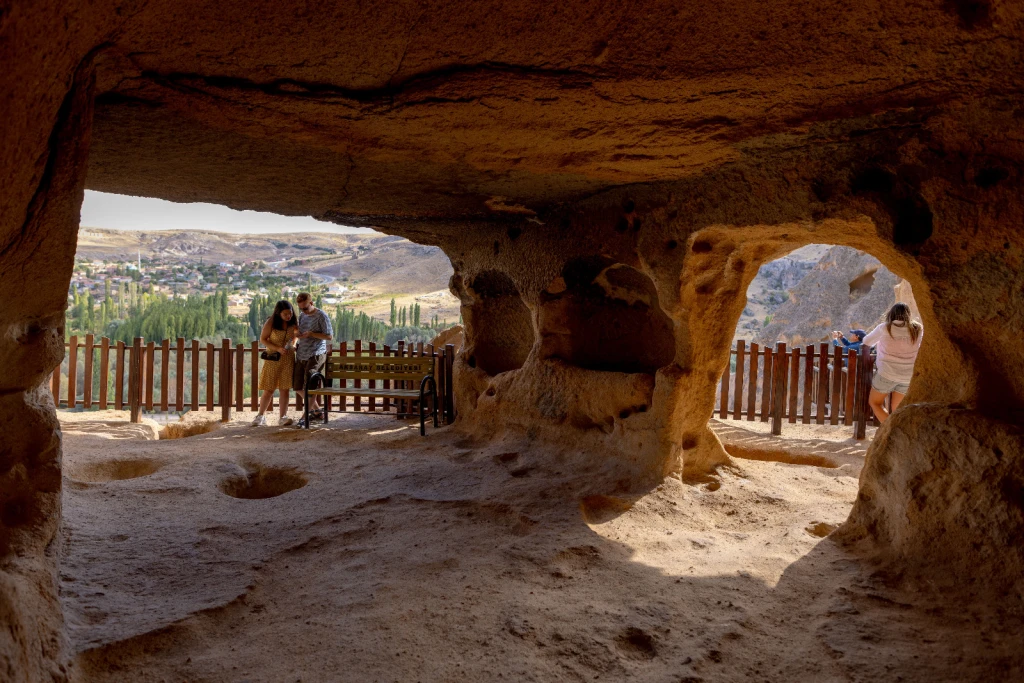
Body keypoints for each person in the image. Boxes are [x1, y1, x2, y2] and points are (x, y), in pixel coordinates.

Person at [863, 302, 923, 424]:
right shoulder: (917, 328)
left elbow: (867, 341)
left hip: (887, 373)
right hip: (908, 375)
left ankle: (889, 428)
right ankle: (896, 430)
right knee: (898, 410)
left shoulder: (885, 328)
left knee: (875, 403)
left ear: (891, 314)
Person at [252, 300, 298, 426]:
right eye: (285, 314)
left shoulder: (293, 322)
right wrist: (277, 348)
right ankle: (260, 416)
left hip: (288, 359)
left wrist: (292, 344)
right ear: (278, 313)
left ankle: (283, 417)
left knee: (285, 389)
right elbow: (263, 339)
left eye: (290, 313)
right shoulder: (271, 322)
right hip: (273, 358)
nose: (288, 316)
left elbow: (295, 335)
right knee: (269, 389)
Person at [292, 292, 333, 427]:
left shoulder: (321, 316)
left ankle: (304, 418)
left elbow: (329, 336)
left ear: (311, 303)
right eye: (300, 308)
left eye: (305, 307)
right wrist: (297, 335)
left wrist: (312, 334)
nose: (303, 310)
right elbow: (299, 333)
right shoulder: (303, 316)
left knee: (311, 386)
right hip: (301, 353)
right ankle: (316, 411)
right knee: (297, 386)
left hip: (316, 353)